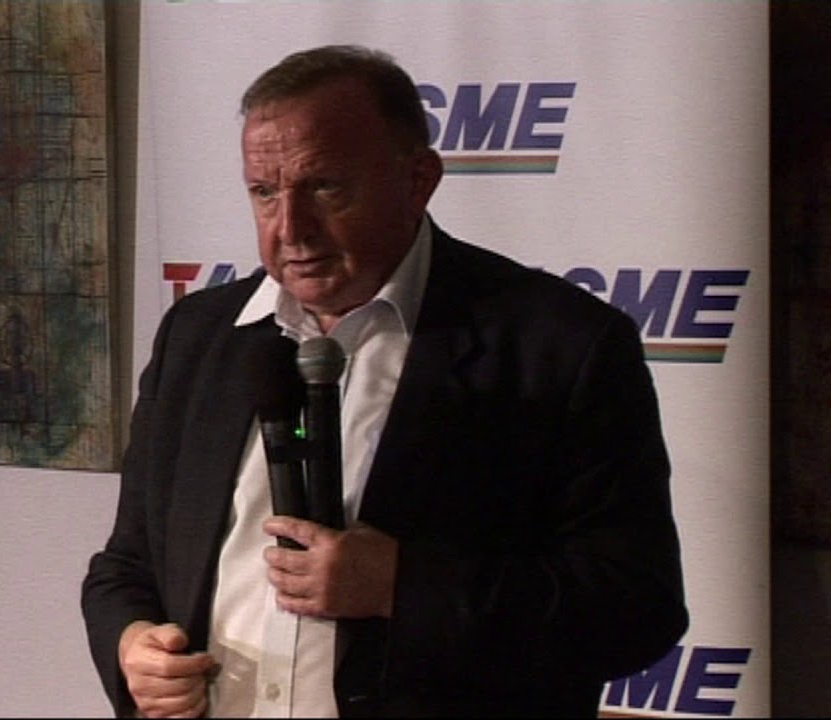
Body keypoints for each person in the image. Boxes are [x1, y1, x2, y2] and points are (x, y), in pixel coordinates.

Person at [81, 44, 688, 718]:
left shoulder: (560, 346)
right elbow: (126, 565)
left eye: (325, 187)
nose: (291, 228)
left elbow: (636, 608)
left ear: (418, 179)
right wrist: (132, 646)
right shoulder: (198, 336)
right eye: (265, 193)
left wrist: (401, 585)